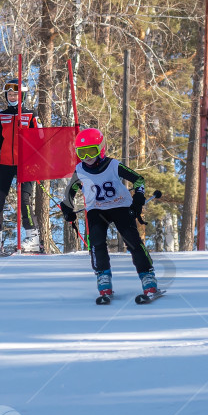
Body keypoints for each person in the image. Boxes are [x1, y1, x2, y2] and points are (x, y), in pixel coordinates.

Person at [59, 127, 158, 298]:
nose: (87, 158)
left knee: (132, 241)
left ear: (101, 149)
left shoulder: (113, 165)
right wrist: (67, 208)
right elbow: (70, 192)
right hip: (96, 209)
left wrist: (138, 198)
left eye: (91, 151)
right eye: (82, 153)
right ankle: (103, 276)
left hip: (120, 206)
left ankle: (147, 275)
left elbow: (138, 179)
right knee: (96, 241)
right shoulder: (80, 171)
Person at [0, 78, 43, 254]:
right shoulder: (2, 116)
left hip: (26, 164)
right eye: (9, 94)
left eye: (15, 93)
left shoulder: (31, 114)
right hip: (6, 163)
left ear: (22, 95)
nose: (12, 96)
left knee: (24, 200)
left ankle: (33, 236)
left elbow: (41, 139)